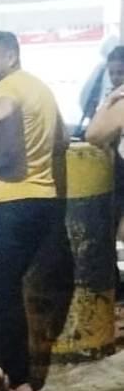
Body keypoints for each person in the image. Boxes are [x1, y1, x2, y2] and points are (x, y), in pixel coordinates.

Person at [0, 30, 67, 391]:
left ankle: (0, 370)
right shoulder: (42, 90)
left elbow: (4, 113)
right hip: (44, 204)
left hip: (4, 206)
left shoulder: (6, 89)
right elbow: (60, 139)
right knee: (26, 294)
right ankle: (25, 380)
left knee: (5, 294)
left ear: (11, 57)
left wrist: (0, 153)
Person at [81, 46, 124, 294]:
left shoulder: (118, 102)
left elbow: (94, 133)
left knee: (111, 231)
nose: (117, 78)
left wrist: (109, 100)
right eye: (114, 73)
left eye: (121, 72)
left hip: (119, 177)